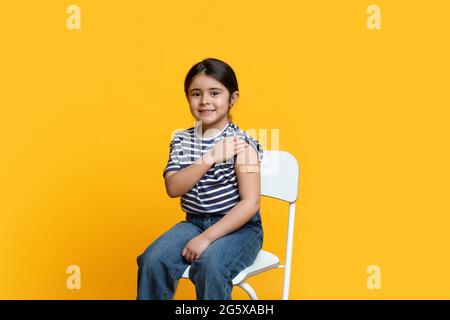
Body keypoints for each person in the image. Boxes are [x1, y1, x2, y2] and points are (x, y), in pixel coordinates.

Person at [136, 58, 264, 300]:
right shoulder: (182, 140)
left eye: (214, 93)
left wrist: (206, 238)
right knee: (153, 260)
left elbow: (250, 203)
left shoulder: (242, 144)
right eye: (196, 93)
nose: (205, 101)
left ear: (232, 98)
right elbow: (173, 187)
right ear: (187, 97)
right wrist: (211, 157)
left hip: (239, 228)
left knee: (210, 265)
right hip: (194, 222)